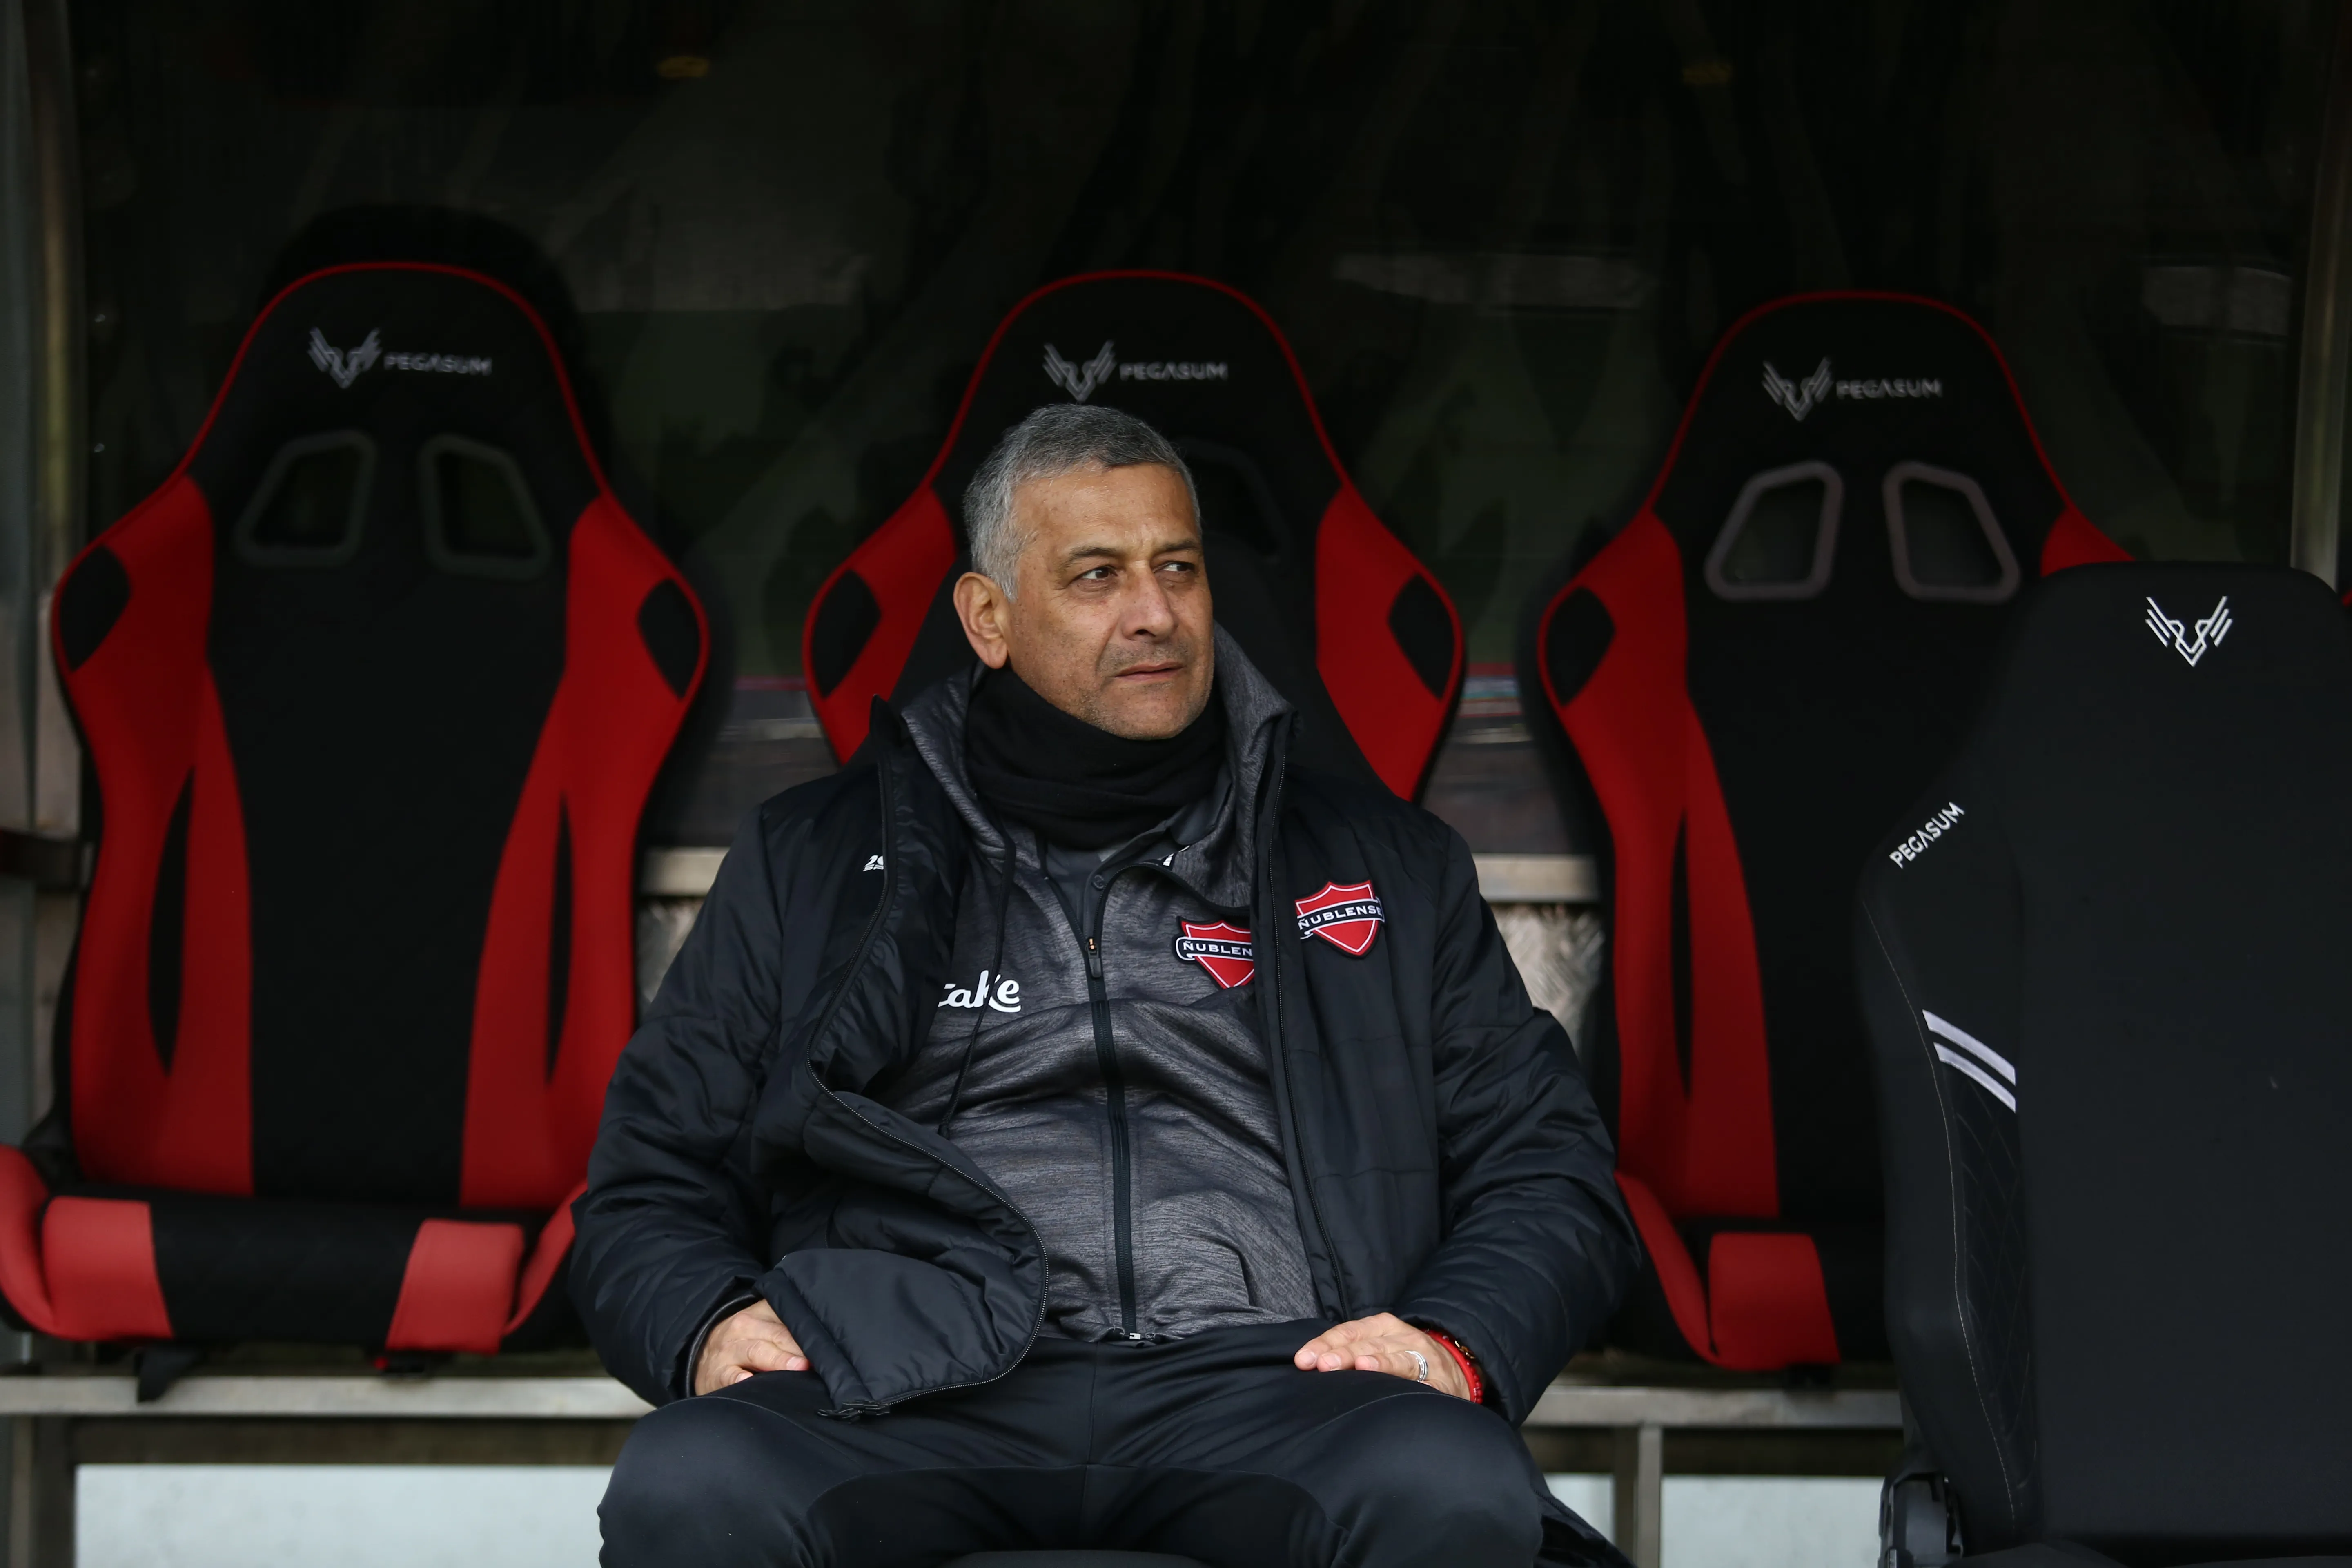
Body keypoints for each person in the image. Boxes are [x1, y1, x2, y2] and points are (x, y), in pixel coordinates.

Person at [577, 403, 1639, 1567]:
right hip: (916, 1381)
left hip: (1277, 1376)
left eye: (1177, 567)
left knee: (1448, 1479)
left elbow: (1552, 1170)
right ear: (989, 618)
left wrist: (1452, 1340)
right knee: (692, 1479)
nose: (1156, 614)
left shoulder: (1382, 863)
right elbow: (648, 1180)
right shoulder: (814, 860)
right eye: (1097, 576)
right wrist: (709, 1323)